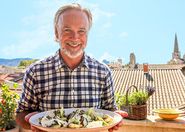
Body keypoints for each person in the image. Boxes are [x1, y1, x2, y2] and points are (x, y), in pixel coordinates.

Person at [16, 3, 122, 132]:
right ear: (56, 33)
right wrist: (30, 122)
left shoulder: (103, 72)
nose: (75, 37)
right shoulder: (35, 72)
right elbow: (21, 114)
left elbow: (110, 110)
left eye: (81, 31)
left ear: (87, 34)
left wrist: (115, 118)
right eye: (67, 30)